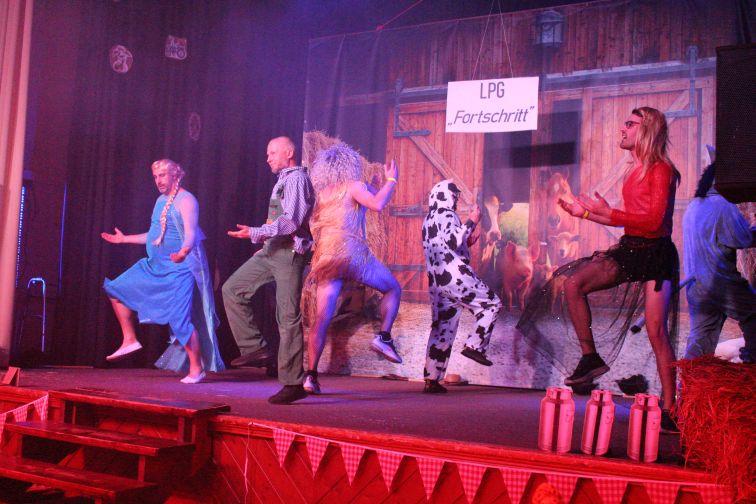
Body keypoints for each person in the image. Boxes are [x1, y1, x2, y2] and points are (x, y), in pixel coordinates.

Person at [518, 107, 681, 431]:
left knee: (656, 331)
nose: (623, 129)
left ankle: (671, 407)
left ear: (646, 130)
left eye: (630, 124)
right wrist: (584, 214)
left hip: (657, 255)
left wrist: (609, 212)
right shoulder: (633, 171)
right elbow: (626, 219)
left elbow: (653, 221)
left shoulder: (662, 170)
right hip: (632, 248)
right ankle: (590, 357)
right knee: (572, 283)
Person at [102, 159, 225, 383]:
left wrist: (184, 252)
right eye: (155, 177)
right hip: (155, 266)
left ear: (175, 175)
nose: (158, 181)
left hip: (180, 268)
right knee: (116, 289)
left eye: (162, 176)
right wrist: (124, 239)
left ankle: (196, 369)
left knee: (180, 320)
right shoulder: (160, 201)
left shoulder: (187, 200)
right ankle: (129, 339)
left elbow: (190, 232)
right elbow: (153, 236)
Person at [303, 143, 402, 395]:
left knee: (321, 319)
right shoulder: (353, 185)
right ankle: (384, 337)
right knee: (393, 288)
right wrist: (391, 180)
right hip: (353, 256)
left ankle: (311, 376)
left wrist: (376, 185)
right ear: (350, 166)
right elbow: (377, 204)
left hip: (327, 259)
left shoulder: (321, 195)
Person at [222, 136, 314, 404]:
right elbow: (276, 220)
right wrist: (265, 243)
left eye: (273, 153)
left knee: (288, 316)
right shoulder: (282, 181)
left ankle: (293, 383)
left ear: (290, 152)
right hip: (272, 249)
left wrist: (256, 232)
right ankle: (255, 348)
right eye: (267, 153)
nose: (268, 158)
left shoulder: (296, 179)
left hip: (289, 253)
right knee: (233, 289)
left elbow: (291, 222)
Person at [421, 180, 502, 393]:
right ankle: (475, 345)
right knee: (491, 303)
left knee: (442, 328)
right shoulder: (448, 215)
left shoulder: (428, 219)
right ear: (445, 196)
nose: (456, 199)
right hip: (456, 276)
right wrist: (472, 221)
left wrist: (466, 241)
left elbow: (444, 244)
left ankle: (431, 379)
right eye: (454, 196)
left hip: (437, 281)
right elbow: (453, 241)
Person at [682, 163, 755, 362]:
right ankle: (752, 362)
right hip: (721, 282)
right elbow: (744, 239)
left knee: (701, 337)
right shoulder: (723, 205)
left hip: (696, 284)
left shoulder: (694, 206)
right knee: (753, 313)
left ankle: (690, 378)